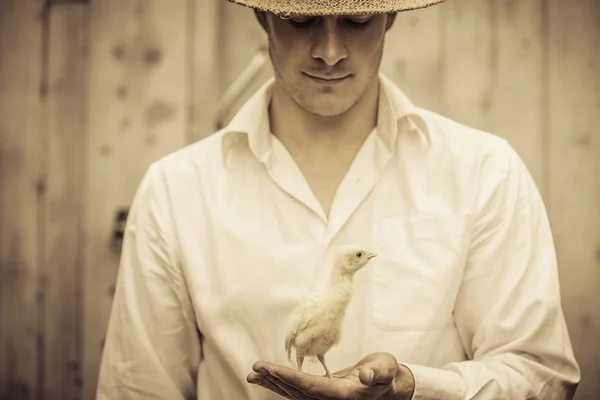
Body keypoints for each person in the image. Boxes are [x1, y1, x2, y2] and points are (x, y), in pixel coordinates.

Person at [96, 0, 581, 398]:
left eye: (356, 18)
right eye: (301, 19)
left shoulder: (484, 172)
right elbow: (137, 388)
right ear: (262, 15)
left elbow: (540, 375)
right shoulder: (175, 190)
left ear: (390, 16)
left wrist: (415, 387)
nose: (330, 52)